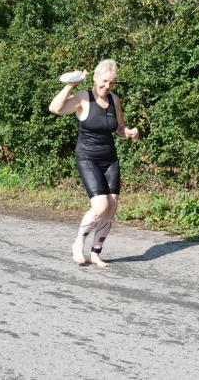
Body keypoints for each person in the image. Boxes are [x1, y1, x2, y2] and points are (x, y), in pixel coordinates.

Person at [48, 59, 139, 267]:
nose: (107, 86)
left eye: (112, 83)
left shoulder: (114, 100)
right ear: (95, 77)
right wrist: (70, 85)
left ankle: (96, 253)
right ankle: (78, 242)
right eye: (104, 81)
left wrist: (129, 132)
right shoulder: (84, 98)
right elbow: (55, 108)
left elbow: (120, 128)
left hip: (110, 159)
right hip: (87, 157)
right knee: (100, 208)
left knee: (112, 207)